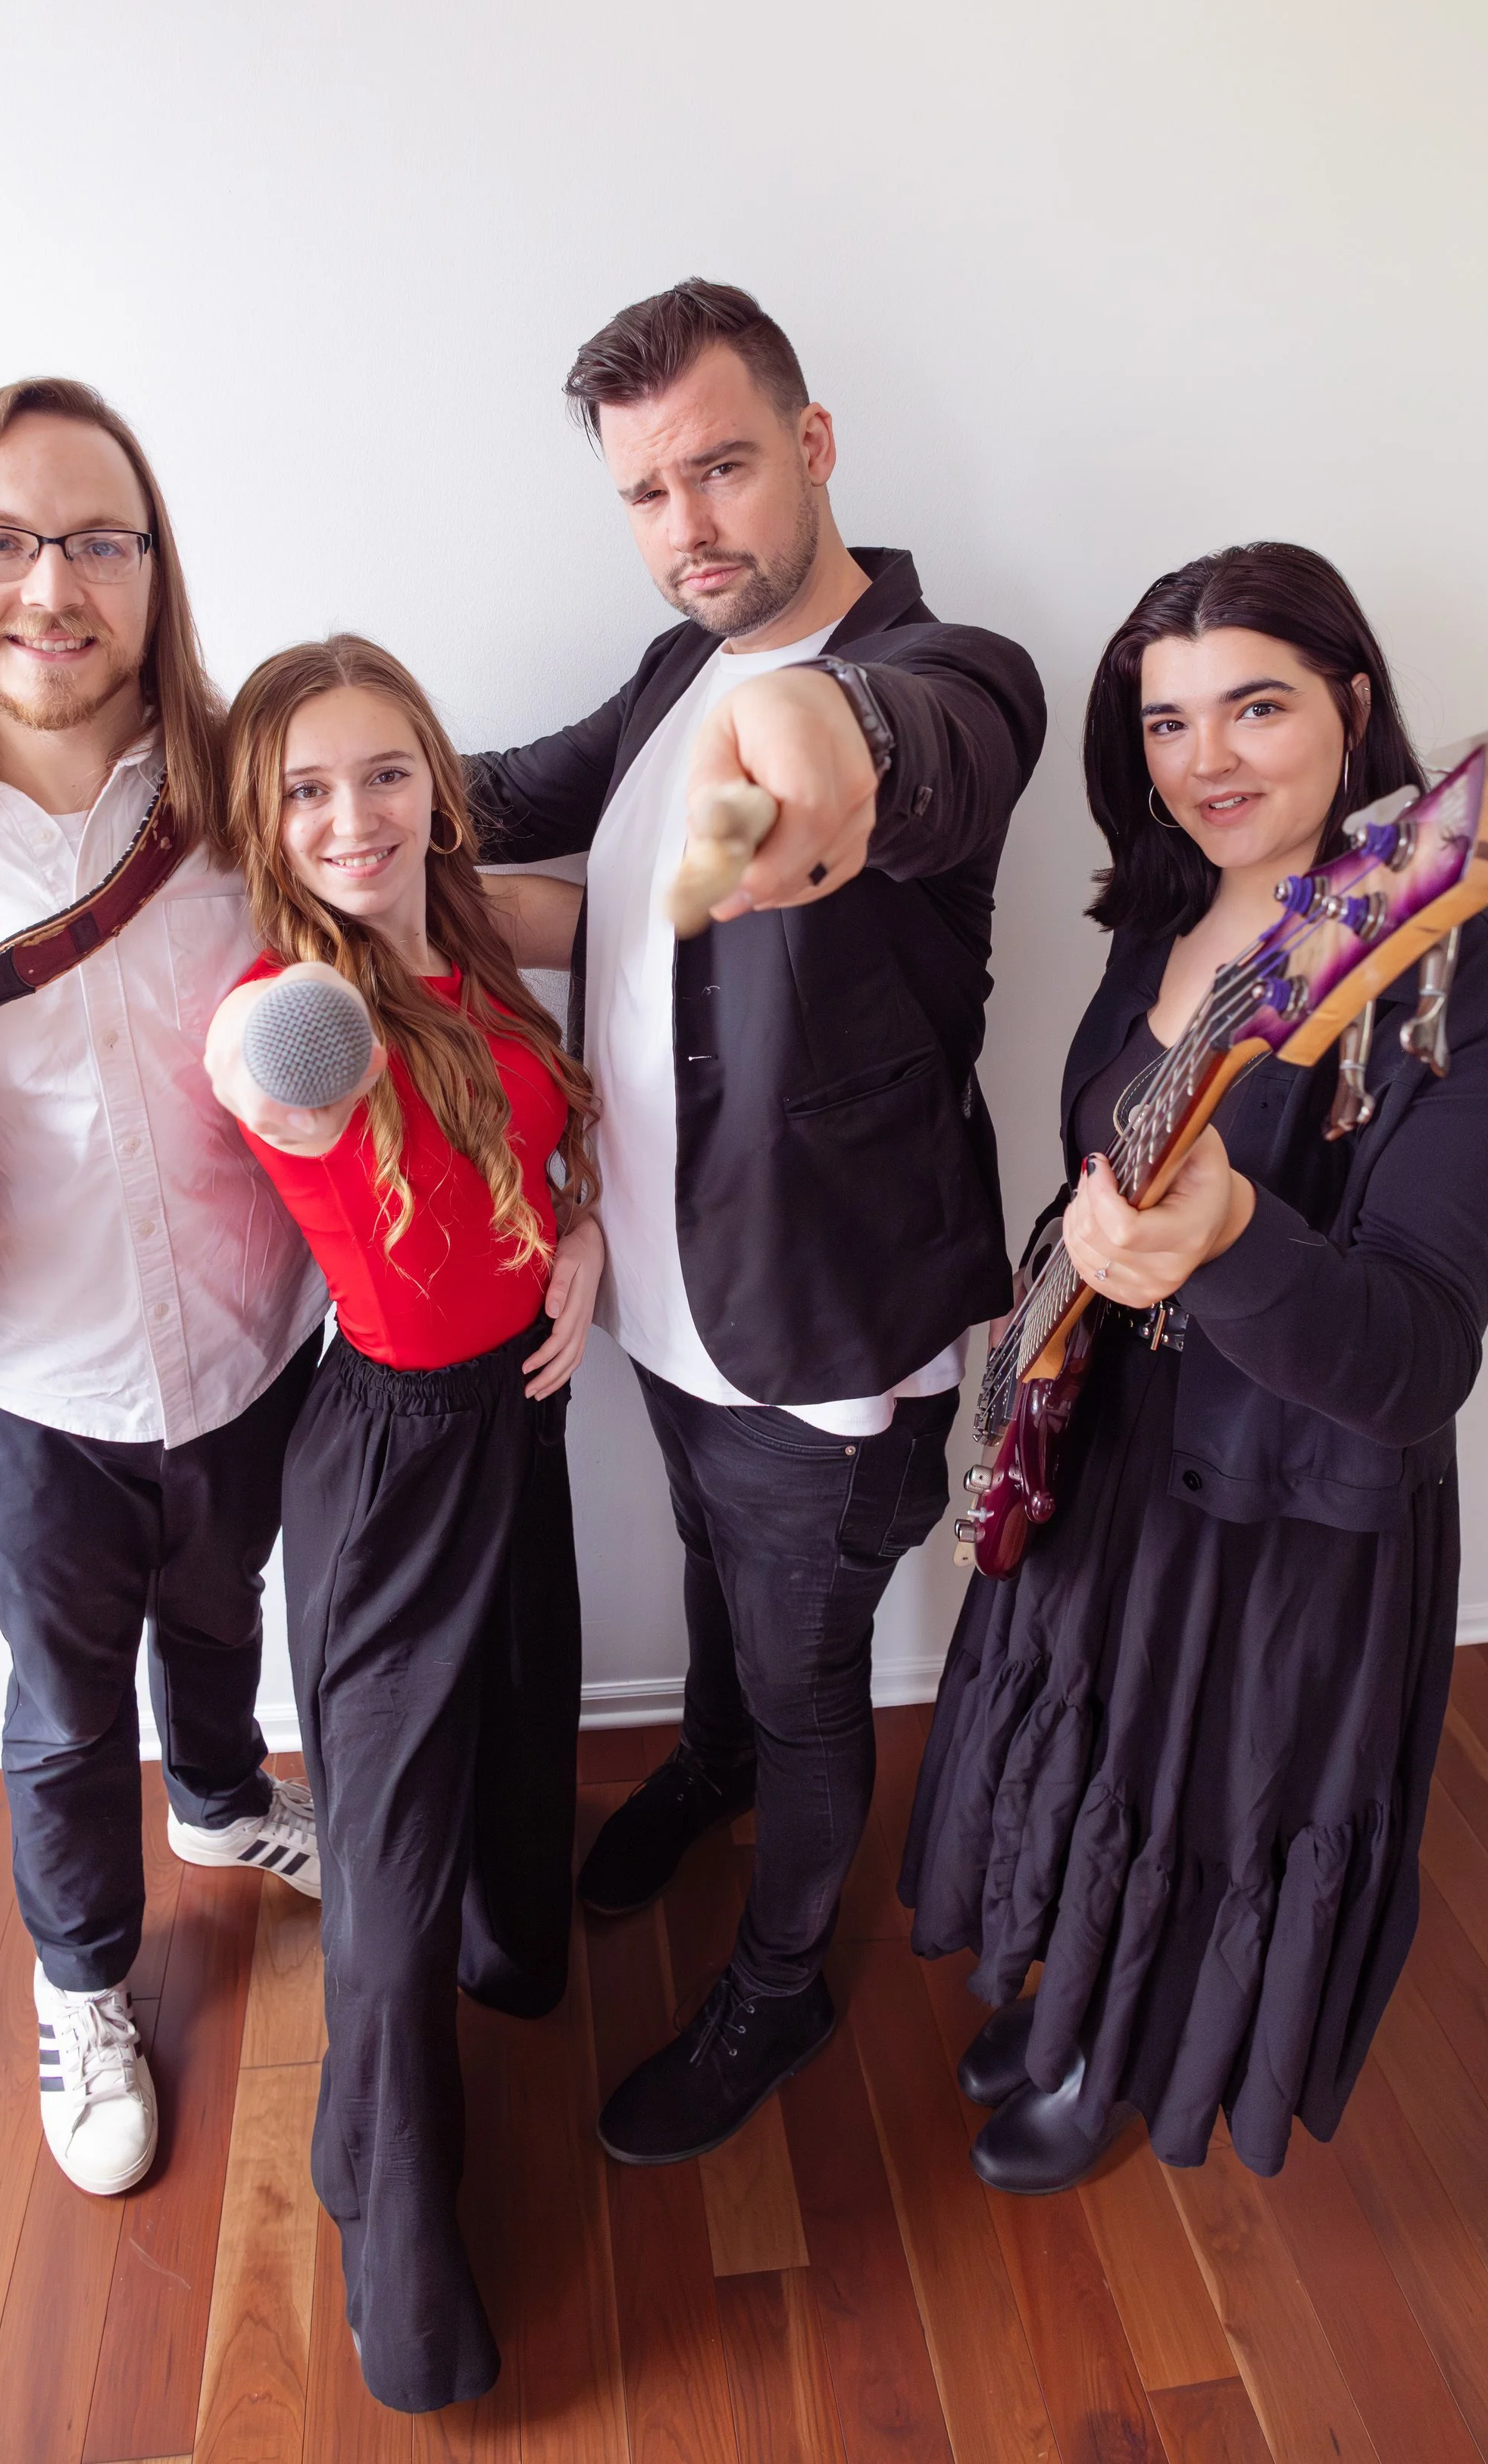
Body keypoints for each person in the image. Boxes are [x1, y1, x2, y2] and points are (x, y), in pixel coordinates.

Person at [901, 542, 1488, 2193]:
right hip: (1106, 1437)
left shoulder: (1484, 996)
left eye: (1255, 707)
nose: (1207, 760)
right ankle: (1064, 2000)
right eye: (1167, 721)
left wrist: (1233, 1235)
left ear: (1353, 707)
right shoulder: (1161, 921)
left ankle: (1119, 2059)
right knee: (1084, 1742)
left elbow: (1415, 1358)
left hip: (1286, 1507)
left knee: (1202, 1791)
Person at [466, 278, 1046, 2163]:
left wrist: (811, 716)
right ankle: (704, 1764)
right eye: (645, 492)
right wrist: (316, 788)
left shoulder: (953, 666)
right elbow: (522, 817)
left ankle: (783, 1981)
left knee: (807, 1683)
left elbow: (877, 750)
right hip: (664, 1286)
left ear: (811, 445)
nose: (686, 524)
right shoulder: (666, 675)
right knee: (713, 1579)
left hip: (820, 1324)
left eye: (719, 467)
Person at [0, 380, 327, 2201]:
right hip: (29, 1383)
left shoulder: (240, 783)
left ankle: (225, 1800)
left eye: (100, 539)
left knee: (223, 1607)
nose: (53, 584)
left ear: (155, 567)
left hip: (253, 1338)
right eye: (5, 539)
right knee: (64, 1700)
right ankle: (85, 1978)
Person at [204, 635, 603, 2415]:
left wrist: (579, 1229)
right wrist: (268, 1058)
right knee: (382, 1869)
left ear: (436, 779)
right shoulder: (301, 1000)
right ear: (262, 820)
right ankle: (401, 2272)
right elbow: (273, 1061)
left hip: (516, 1414)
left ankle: (513, 1970)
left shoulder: (477, 935)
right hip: (388, 1463)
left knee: (520, 1726)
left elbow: (556, 1102)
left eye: (380, 773)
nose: (349, 817)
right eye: (302, 790)